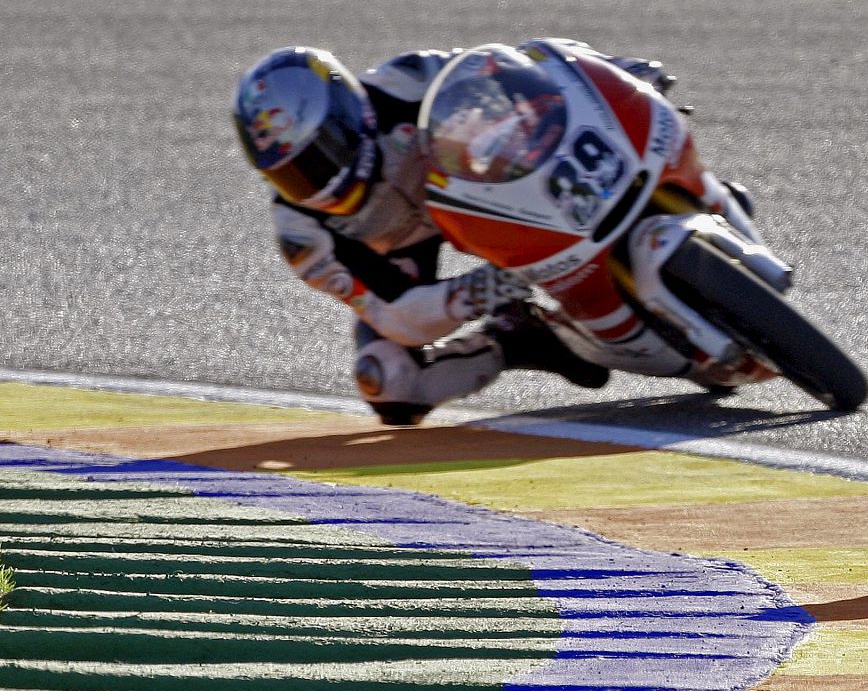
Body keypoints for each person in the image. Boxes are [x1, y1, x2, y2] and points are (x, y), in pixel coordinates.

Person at [231, 41, 701, 425]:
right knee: (389, 382)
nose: (318, 182)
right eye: (293, 175)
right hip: (408, 250)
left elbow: (525, 68)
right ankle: (517, 338)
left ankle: (693, 203)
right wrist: (473, 293)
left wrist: (613, 75)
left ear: (350, 114)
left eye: (322, 154)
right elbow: (395, 316)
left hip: (486, 189)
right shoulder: (301, 231)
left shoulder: (408, 81)